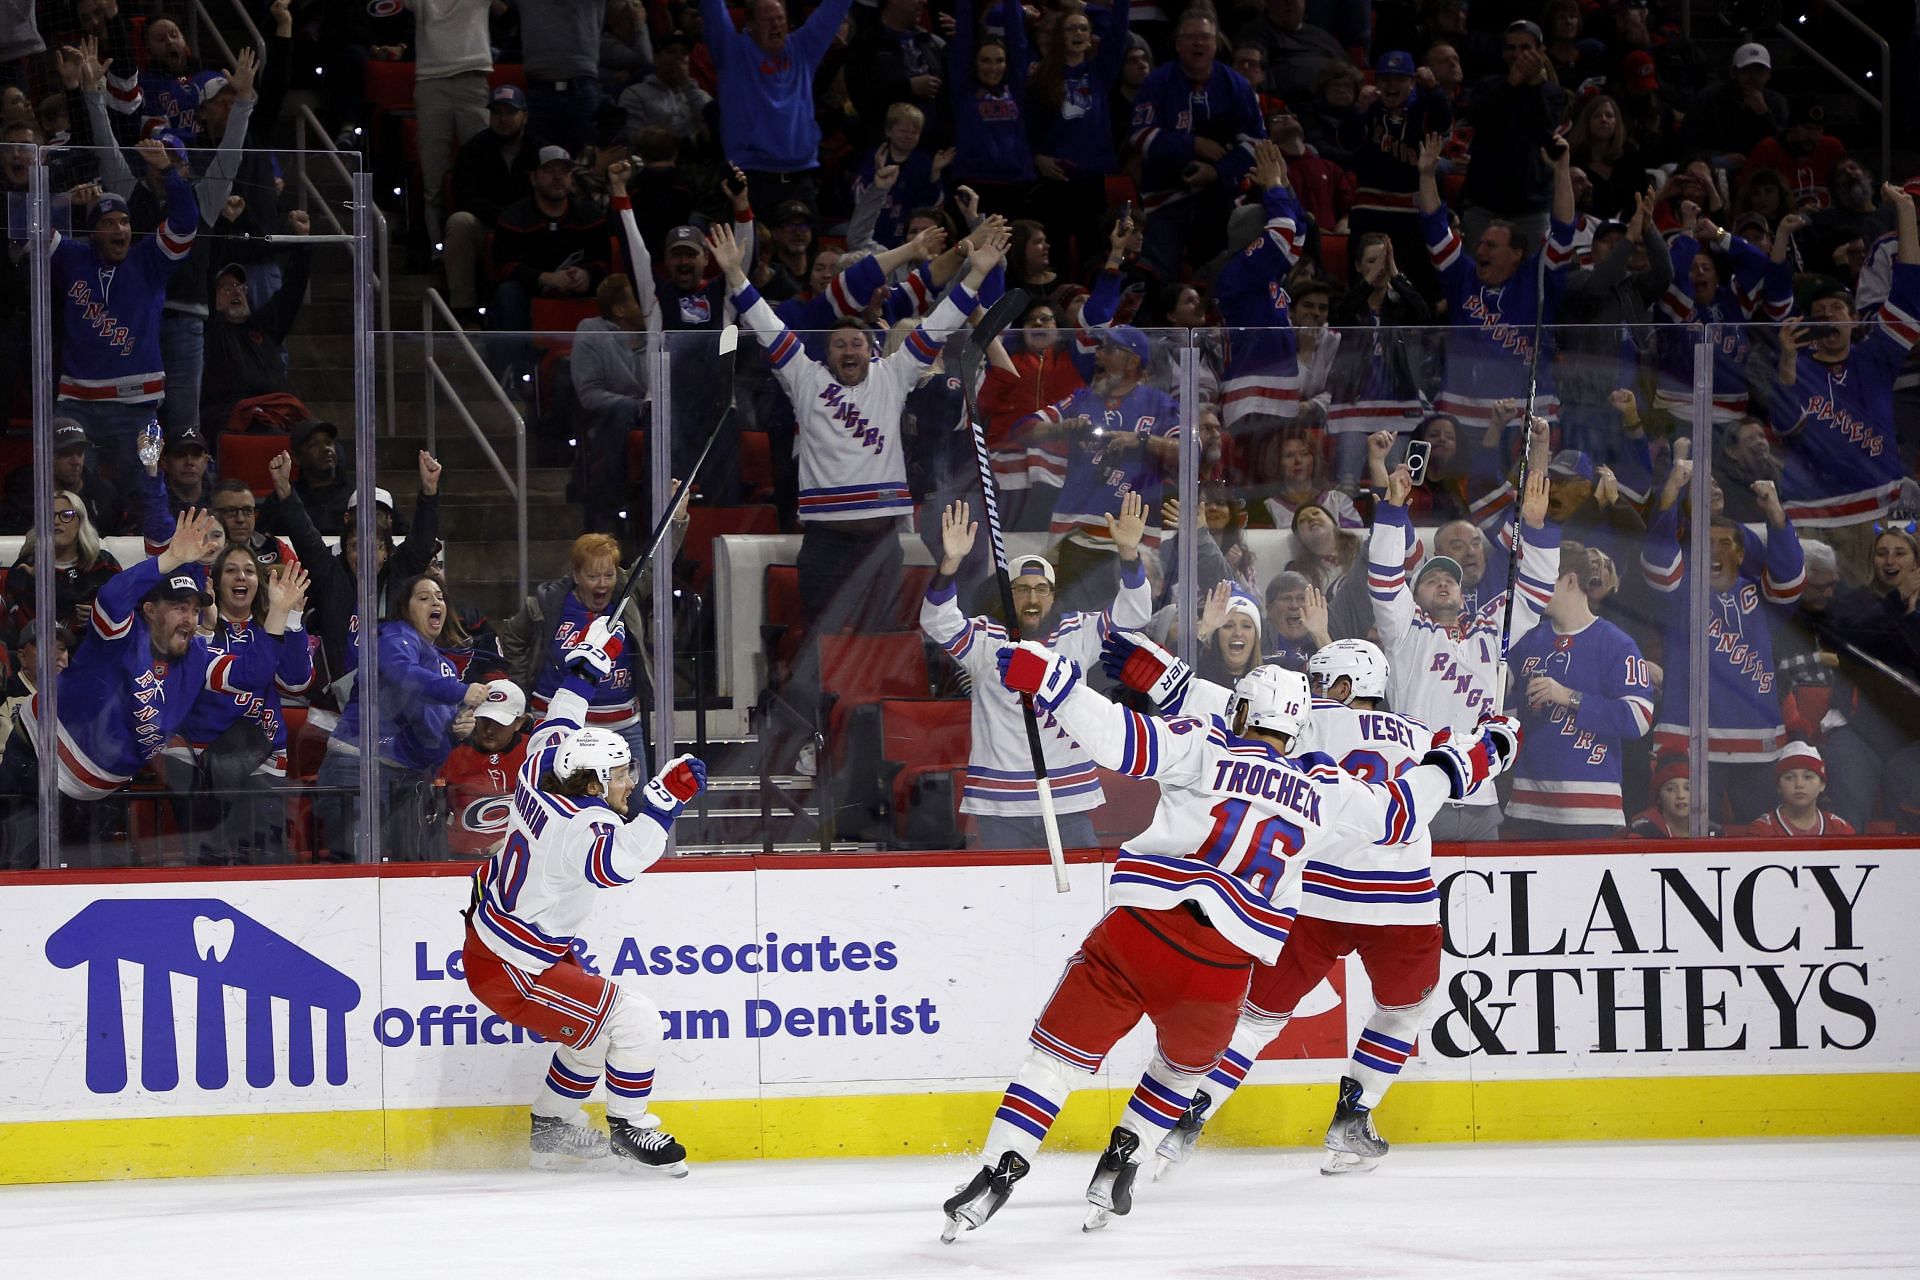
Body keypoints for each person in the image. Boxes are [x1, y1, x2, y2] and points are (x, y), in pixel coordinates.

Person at [941, 643, 1519, 1238]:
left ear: (1242, 712)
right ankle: (1125, 1158)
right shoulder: (1323, 789)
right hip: (1223, 961)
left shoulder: (1203, 743)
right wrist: (1478, 755)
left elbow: (1117, 737)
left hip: (1140, 930)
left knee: (1054, 1063)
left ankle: (997, 1172)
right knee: (1179, 1072)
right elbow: (1401, 809)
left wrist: (1054, 683)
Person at [1103, 635, 1462, 1174]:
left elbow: (1219, 706)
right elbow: (1463, 773)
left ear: (1345, 686)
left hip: (1315, 898)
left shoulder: (1309, 720)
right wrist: (1497, 741)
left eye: (1321, 682)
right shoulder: (1424, 735)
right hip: (1401, 905)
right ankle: (1352, 1118)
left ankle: (1189, 1116)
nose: (1312, 692)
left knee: (1255, 1020)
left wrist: (1159, 676)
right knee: (1403, 1011)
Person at [462, 615, 707, 1173]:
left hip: (505, 944)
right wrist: (664, 802)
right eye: (620, 775)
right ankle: (629, 1127)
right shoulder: (579, 826)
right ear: (593, 784)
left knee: (590, 1032)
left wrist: (588, 663)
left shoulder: (540, 763)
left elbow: (562, 715)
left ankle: (552, 1127)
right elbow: (617, 866)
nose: (630, 781)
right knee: (635, 1019)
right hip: (512, 963)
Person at [0, 510, 294, 869]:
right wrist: (170, 559)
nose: (189, 617)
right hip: (37, 762)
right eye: (178, 608)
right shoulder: (122, 636)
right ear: (150, 610)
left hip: (99, 792)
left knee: (100, 888)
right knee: (17, 875)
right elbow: (112, 596)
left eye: (193, 610)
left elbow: (250, 675)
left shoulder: (198, 659)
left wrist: (279, 614)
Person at [921, 495, 1148, 849]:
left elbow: (1134, 613)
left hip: (1068, 801)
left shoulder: (1078, 633)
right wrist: (950, 563)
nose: (1033, 598)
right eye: (1023, 589)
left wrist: (1130, 555)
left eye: (1042, 590)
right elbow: (936, 620)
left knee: (1078, 897)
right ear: (1008, 596)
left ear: (1053, 597)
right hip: (1001, 807)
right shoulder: (985, 640)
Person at [1372, 458, 1559, 840]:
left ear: (1462, 593)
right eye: (1432, 579)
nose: (1443, 584)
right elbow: (1385, 580)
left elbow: (1536, 593)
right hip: (1422, 794)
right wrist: (1392, 511)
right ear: (1414, 594)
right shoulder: (1405, 632)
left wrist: (1536, 528)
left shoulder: (1488, 630)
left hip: (1482, 798)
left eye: (1450, 580)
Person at [1641, 462, 1804, 822]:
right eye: (1705, 544)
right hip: (1690, 739)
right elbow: (1658, 560)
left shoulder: (1759, 594)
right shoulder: (1679, 590)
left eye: (1725, 544)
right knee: (1691, 840)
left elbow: (1790, 579)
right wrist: (1670, 494)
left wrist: (1776, 514)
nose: (1714, 552)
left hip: (1758, 739)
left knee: (1756, 839)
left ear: (1742, 554)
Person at [1769, 183, 1918, 551]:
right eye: (1817, 313)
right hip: (1811, 516)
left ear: (1855, 319)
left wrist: (1907, 212)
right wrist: (1787, 359)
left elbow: (1910, 295)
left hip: (1879, 508)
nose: (1826, 316)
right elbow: (1785, 425)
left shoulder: (1875, 356)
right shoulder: (1798, 365)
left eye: (1836, 309)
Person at [315, 573, 491, 860]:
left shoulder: (444, 666)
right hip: (357, 767)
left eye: (440, 597)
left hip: (404, 779)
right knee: (359, 868)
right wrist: (459, 692)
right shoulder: (394, 635)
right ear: (405, 609)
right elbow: (402, 676)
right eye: (423, 598)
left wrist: (456, 732)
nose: (435, 601)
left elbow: (433, 746)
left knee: (402, 866)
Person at [1416, 127, 1575, 439]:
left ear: (1517, 253)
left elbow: (1564, 230)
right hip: (1463, 413)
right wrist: (1426, 175)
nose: (1480, 249)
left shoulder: (1538, 277)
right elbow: (1435, 228)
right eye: (1481, 243)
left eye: (1491, 245)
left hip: (1530, 413)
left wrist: (1561, 170)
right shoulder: (1462, 275)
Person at [53, 141, 197, 484]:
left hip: (138, 403)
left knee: (145, 484)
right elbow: (20, 225)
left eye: (124, 222)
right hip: (75, 402)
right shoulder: (73, 256)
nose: (120, 230)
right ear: (92, 232)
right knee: (65, 489)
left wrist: (167, 171)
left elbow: (187, 221)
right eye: (108, 223)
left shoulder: (149, 259)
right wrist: (63, 201)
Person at [497, 523, 687, 777]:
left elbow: (656, 564)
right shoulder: (548, 605)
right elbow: (511, 637)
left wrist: (677, 521)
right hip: (561, 723)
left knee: (635, 800)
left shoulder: (625, 595)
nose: (602, 584)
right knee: (561, 797)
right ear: (576, 575)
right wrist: (520, 687)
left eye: (609, 575)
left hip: (622, 724)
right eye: (593, 576)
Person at [1013, 325, 1178, 609]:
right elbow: (1023, 429)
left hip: (1134, 534)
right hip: (1077, 532)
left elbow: (1188, 453)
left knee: (1133, 617)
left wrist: (1139, 440)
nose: (1098, 356)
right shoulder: (1081, 399)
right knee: (1071, 617)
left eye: (1108, 350)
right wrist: (1061, 428)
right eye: (1100, 348)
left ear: (1132, 361)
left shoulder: (1160, 404)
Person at [163, 552, 313, 864]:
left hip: (263, 756)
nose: (241, 577)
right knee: (208, 864)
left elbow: (297, 683)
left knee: (265, 862)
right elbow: (248, 675)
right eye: (231, 570)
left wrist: (293, 619)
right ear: (216, 583)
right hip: (205, 764)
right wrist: (277, 618)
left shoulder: (270, 626)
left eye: (249, 571)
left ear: (260, 583)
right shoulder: (200, 632)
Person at [1502, 539, 1655, 837]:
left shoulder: (1616, 644)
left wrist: (1569, 697)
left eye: (1541, 578)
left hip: (1591, 807)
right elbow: (1501, 708)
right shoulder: (1528, 640)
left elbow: (1638, 719)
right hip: (1526, 804)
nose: (1530, 588)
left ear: (1570, 580)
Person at [1128, 10, 1265, 278]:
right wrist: (1192, 145)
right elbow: (1140, 136)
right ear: (1178, 44)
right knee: (1157, 275)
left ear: (1216, 43)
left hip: (1220, 196)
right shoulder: (1157, 83)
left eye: (1204, 37)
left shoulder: (1237, 86)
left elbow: (1255, 144)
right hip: (1165, 196)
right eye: (1190, 37)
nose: (1198, 43)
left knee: (1220, 274)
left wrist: (1218, 172)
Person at [700, 0, 855, 216]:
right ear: (750, 25)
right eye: (767, 20)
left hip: (801, 180)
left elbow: (834, 9)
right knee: (752, 249)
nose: (775, 25)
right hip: (752, 179)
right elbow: (712, 10)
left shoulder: (803, 48)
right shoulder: (731, 52)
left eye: (780, 19)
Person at [1028, 0, 1131, 276]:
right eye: (1070, 28)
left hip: (1093, 178)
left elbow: (1119, 29)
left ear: (1090, 37)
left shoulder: (1099, 71)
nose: (1077, 34)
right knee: (1057, 252)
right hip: (1055, 179)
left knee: (1093, 250)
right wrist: (1036, 157)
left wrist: (1085, 6)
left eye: (1083, 29)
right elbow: (1025, 127)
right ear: (1059, 36)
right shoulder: (1041, 76)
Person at [1342, 51, 1451, 304]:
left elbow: (1443, 125)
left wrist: (1434, 89)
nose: (1391, 86)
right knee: (1363, 289)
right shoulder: (1366, 109)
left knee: (1415, 292)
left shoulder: (1424, 107)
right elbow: (1347, 140)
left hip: (1412, 217)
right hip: (1370, 213)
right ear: (1377, 82)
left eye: (1399, 79)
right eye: (1386, 79)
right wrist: (1357, 109)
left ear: (1412, 82)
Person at [1458, 20, 1568, 254]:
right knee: (1478, 276)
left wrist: (1535, 85)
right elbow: (1477, 118)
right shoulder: (1487, 86)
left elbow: (1544, 131)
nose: (1517, 54)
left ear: (1541, 51)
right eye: (1511, 47)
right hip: (1484, 203)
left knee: (1532, 279)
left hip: (1531, 207)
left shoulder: (1552, 93)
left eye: (1525, 48)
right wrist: (1511, 84)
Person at [446, 85, 549, 323]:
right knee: (460, 222)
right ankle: (463, 310)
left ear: (524, 115)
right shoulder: (473, 150)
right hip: (489, 223)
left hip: (530, 226)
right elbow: (465, 196)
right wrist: (502, 217)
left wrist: (521, 219)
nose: (502, 119)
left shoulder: (540, 150)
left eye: (509, 112)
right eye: (497, 113)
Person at [486, 144, 612, 338]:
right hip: (529, 293)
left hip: (579, 292)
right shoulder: (513, 217)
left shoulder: (591, 216)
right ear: (533, 177)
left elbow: (604, 261)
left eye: (565, 171)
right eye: (549, 170)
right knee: (508, 293)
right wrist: (545, 277)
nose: (558, 177)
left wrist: (587, 276)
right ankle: (512, 366)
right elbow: (503, 268)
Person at [199, 234, 314, 433]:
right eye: (228, 288)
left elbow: (292, 292)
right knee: (275, 435)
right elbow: (207, 268)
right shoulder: (211, 331)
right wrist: (227, 226)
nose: (237, 293)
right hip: (237, 416)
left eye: (241, 288)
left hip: (277, 410)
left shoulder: (263, 326)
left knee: (325, 443)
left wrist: (303, 243)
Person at [410, 0, 495, 252]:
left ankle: (483, 244)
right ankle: (437, 250)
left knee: (483, 169)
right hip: (431, 81)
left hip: (473, 77)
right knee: (433, 178)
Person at [3, 488, 122, 639]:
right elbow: (17, 624)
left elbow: (126, 606)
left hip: (95, 649)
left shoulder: (104, 566)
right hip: (40, 651)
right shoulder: (27, 566)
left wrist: (100, 615)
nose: (56, 522)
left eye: (66, 515)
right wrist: (34, 580)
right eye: (49, 516)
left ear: (81, 522)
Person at [441, 678, 532, 858]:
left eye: (499, 723)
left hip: (519, 856)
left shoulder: (535, 754)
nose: (489, 730)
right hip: (457, 858)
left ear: (519, 723)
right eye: (484, 720)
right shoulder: (453, 752)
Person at [1232, 0, 1346, 106]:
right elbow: (1251, 78)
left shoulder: (1321, 36)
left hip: (1339, 105)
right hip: (1294, 109)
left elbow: (1351, 72)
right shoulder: (1254, 34)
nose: (1288, 2)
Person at [1746, 742, 1854, 837]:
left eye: (1808, 777)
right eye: (1789, 777)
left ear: (1822, 784)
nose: (1799, 784)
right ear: (1778, 786)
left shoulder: (1840, 829)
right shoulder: (1761, 830)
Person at [617, 33, 710, 141]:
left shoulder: (700, 95)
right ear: (655, 58)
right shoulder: (635, 94)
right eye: (671, 51)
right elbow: (635, 139)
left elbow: (712, 130)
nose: (679, 57)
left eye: (684, 53)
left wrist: (687, 86)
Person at [0, 621, 73, 755]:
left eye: (62, 648)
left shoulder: (77, 697)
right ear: (22, 657)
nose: (58, 656)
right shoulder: (5, 695)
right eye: (47, 647)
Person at [209, 477, 297, 574]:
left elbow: (301, 582)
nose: (240, 519)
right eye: (231, 511)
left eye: (247, 510)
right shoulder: (199, 551)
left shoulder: (275, 547)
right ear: (213, 514)